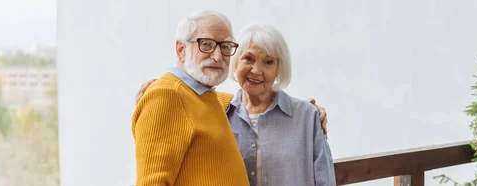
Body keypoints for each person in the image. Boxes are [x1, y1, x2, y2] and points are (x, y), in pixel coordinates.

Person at [132, 11, 329, 186]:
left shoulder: (213, 101)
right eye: (206, 44)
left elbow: (246, 102)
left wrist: (308, 111)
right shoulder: (165, 95)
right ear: (181, 49)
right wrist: (156, 93)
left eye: (225, 46)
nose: (218, 56)